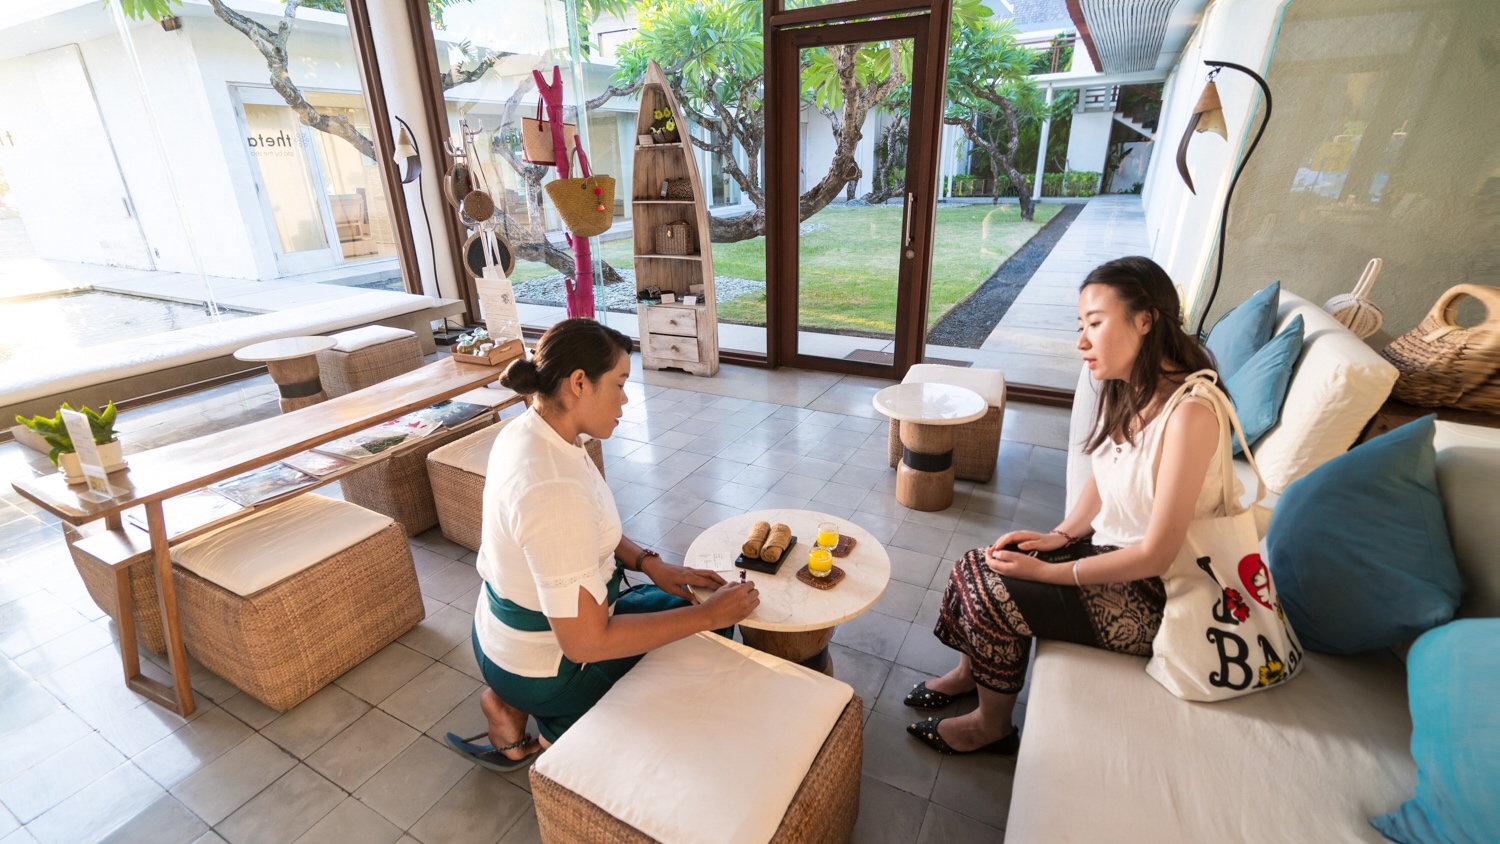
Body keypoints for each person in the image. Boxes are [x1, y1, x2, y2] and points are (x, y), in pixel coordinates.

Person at [905, 256, 1241, 755]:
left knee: (995, 593)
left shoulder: (1191, 413)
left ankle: (991, 727)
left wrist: (1044, 573)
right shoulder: (1133, 388)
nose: (1081, 341)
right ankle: (968, 675)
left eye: (1095, 324)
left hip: (1160, 595)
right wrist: (1060, 535)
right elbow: (1108, 474)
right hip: (1111, 554)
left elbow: (1156, 556)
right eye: (1080, 326)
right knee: (975, 563)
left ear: (1145, 320)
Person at [446, 318, 759, 771]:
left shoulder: (533, 432)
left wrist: (651, 564)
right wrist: (708, 617)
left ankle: (508, 705)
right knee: (710, 624)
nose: (626, 399)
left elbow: (591, 532)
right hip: (547, 668)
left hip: (497, 638)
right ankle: (561, 732)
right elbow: (585, 644)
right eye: (619, 383)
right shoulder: (552, 489)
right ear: (579, 384)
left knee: (676, 598)